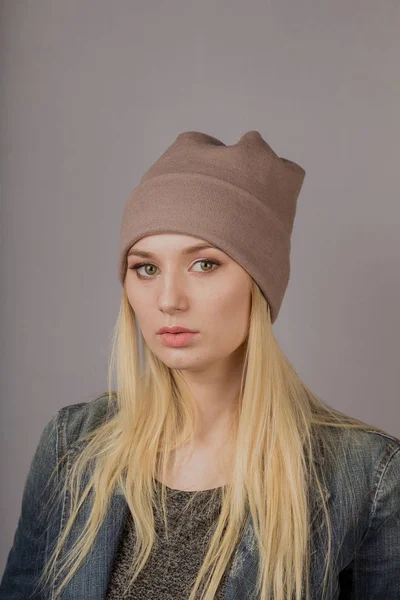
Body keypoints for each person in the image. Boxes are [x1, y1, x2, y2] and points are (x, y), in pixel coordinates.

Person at [1, 131, 399, 600]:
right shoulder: (72, 446)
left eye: (204, 264)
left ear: (260, 283)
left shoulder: (369, 476)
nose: (168, 300)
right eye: (145, 268)